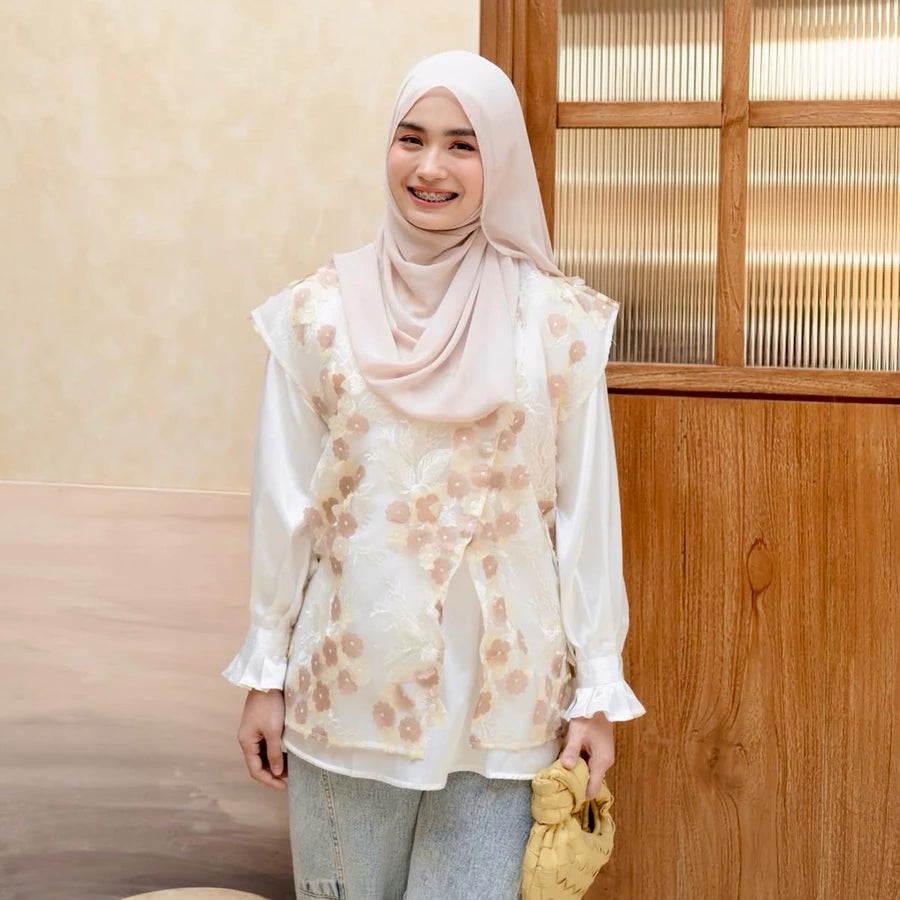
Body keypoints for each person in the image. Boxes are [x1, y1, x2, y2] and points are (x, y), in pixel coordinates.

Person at [224, 50, 644, 900]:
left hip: (507, 710)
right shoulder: (316, 315)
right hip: (347, 697)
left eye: (463, 144)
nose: (430, 167)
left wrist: (597, 692)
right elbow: (285, 508)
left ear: (502, 160)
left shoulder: (557, 323)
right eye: (410, 138)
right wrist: (264, 675)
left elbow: (585, 517)